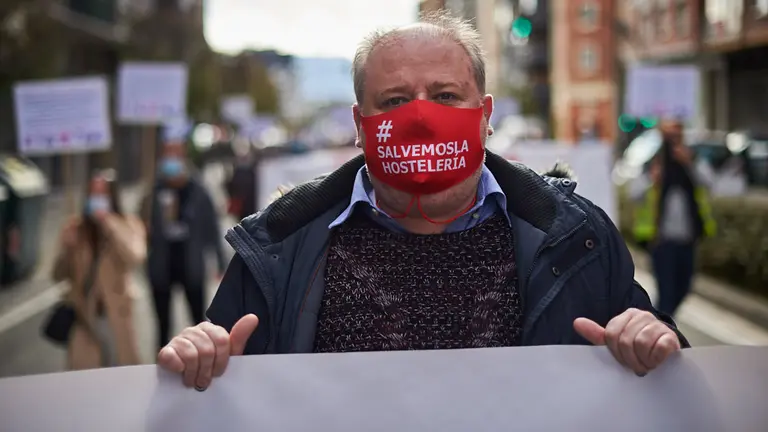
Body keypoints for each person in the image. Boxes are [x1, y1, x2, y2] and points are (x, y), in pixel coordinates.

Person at [158, 12, 689, 391]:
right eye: (393, 100)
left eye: (445, 96)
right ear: (360, 125)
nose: (419, 117)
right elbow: (215, 389)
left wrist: (654, 337)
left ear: (484, 115)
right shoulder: (280, 244)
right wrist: (199, 357)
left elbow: (665, 370)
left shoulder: (576, 236)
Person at [52, 169, 146, 369]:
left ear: (112, 196)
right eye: (93, 193)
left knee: (119, 370)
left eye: (102, 193)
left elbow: (136, 256)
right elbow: (57, 275)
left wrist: (109, 223)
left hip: (117, 314)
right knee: (86, 374)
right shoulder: (75, 229)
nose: (97, 198)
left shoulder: (128, 224)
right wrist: (66, 250)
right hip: (86, 316)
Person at [142, 141, 227, 352]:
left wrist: (220, 262)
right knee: (162, 325)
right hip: (162, 266)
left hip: (191, 265)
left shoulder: (198, 190)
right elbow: (139, 227)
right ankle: (163, 363)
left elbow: (212, 228)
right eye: (167, 155)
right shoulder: (153, 191)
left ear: (184, 158)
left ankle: (200, 362)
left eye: (176, 155)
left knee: (198, 322)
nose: (171, 161)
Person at [631, 121, 716, 316]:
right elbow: (633, 193)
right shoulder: (653, 164)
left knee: (684, 289)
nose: (673, 142)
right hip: (662, 241)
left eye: (677, 136)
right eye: (669, 137)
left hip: (688, 240)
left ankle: (661, 323)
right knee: (666, 294)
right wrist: (652, 179)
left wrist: (690, 162)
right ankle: (663, 333)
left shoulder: (691, 163)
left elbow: (711, 183)